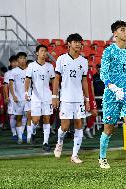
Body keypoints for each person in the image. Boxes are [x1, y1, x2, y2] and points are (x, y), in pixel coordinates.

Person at [98, 20, 126, 173]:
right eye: (123, 30)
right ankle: (102, 157)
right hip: (111, 95)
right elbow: (103, 74)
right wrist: (113, 87)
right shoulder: (108, 51)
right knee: (108, 129)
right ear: (115, 33)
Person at [52, 33, 90, 164]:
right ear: (69, 44)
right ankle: (59, 142)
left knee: (80, 125)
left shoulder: (84, 61)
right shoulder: (61, 59)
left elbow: (84, 82)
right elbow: (56, 79)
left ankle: (75, 155)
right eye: (75, 42)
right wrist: (55, 96)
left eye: (80, 42)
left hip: (79, 99)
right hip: (66, 98)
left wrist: (87, 99)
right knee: (65, 127)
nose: (78, 44)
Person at [25, 45, 55, 150]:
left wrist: (55, 94)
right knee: (36, 120)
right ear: (37, 53)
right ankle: (33, 132)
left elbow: (53, 80)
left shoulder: (50, 66)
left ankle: (45, 142)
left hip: (47, 96)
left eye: (45, 51)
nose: (44, 53)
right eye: (42, 51)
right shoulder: (32, 66)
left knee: (47, 118)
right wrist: (26, 92)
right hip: (36, 97)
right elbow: (28, 79)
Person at [9, 52, 31, 144]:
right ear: (17, 60)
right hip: (18, 99)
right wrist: (14, 96)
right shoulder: (13, 71)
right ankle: (20, 137)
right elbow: (10, 84)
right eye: (20, 58)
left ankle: (29, 137)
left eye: (24, 58)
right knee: (19, 118)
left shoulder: (30, 70)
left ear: (26, 59)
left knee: (30, 117)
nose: (22, 60)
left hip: (28, 98)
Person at [4, 55, 18, 139]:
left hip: (21, 98)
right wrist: (6, 96)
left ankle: (20, 132)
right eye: (13, 62)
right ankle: (14, 133)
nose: (15, 63)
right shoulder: (8, 73)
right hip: (12, 98)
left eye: (16, 61)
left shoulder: (23, 71)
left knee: (22, 116)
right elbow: (5, 86)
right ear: (10, 63)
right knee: (12, 115)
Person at [84, 66, 98, 138]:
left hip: (90, 96)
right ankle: (80, 132)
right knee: (81, 115)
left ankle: (87, 129)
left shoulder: (90, 72)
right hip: (82, 96)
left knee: (95, 113)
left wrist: (93, 96)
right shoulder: (80, 71)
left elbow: (91, 85)